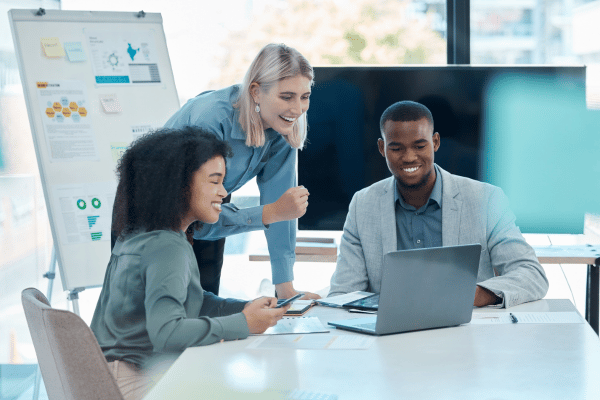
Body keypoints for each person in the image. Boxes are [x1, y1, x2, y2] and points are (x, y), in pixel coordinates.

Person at [92, 127, 289, 399]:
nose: (223, 192)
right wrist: (244, 322)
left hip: (109, 376)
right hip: (135, 384)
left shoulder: (141, 235)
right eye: (214, 181)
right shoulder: (167, 246)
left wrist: (243, 309)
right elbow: (167, 332)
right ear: (179, 185)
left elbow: (188, 299)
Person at [328, 101, 548, 308]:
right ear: (381, 148)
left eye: (419, 146)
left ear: (435, 142)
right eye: (396, 149)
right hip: (389, 336)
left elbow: (531, 274)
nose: (409, 157)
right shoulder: (363, 204)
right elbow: (344, 292)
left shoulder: (486, 199)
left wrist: (472, 294)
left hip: (466, 332)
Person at [164, 43, 319, 300]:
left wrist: (285, 287)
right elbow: (192, 217)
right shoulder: (211, 120)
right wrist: (269, 213)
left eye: (305, 97)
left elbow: (282, 208)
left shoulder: (282, 129)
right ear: (256, 92)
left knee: (205, 310)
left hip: (209, 205)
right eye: (287, 96)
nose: (297, 109)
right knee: (166, 320)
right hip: (159, 212)